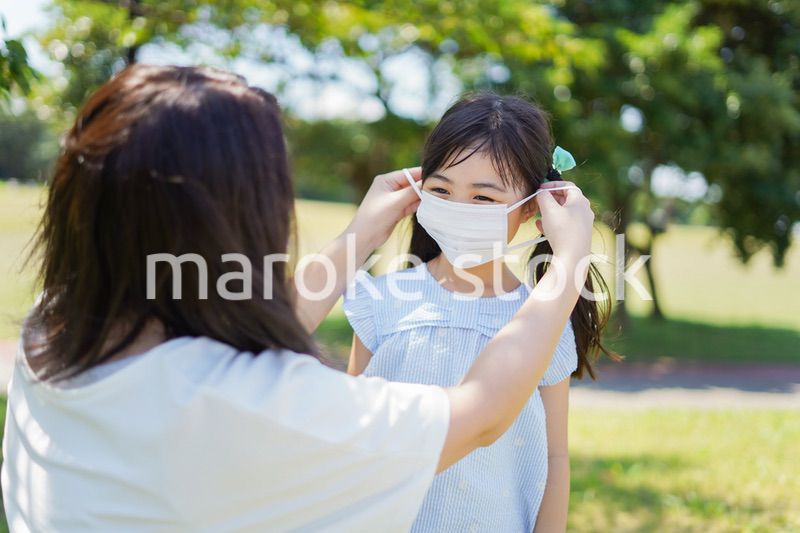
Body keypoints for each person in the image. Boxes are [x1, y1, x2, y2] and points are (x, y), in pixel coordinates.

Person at [1, 65, 594, 532]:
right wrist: (569, 265)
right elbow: (483, 413)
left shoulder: (51, 337)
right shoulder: (265, 404)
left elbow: (245, 325)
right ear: (232, 224)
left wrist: (361, 234)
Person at [344, 93, 617, 532]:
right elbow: (350, 429)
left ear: (532, 207)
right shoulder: (382, 299)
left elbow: (554, 455)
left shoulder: (543, 318)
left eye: (484, 198)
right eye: (442, 190)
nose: (458, 208)